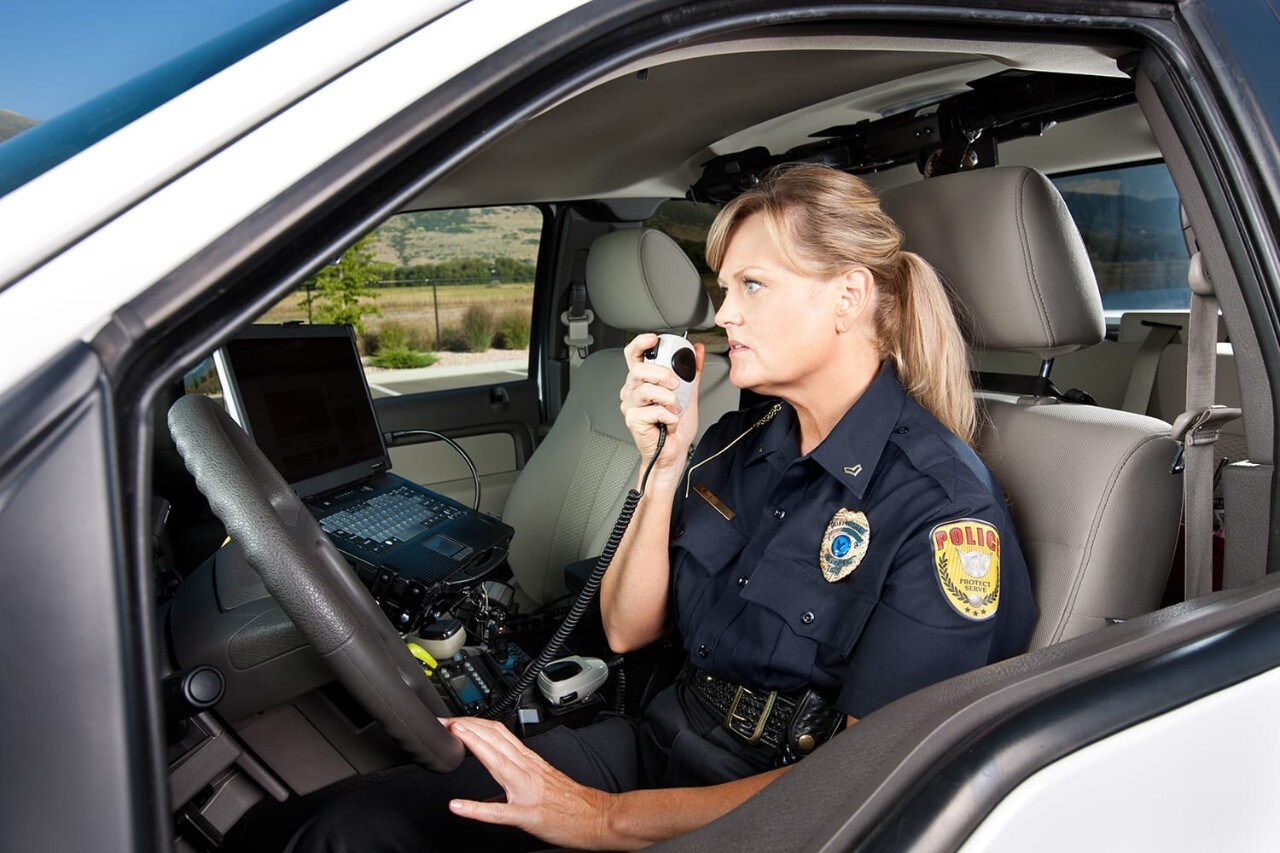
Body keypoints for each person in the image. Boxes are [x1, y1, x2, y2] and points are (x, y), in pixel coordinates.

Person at [288, 164, 1035, 852]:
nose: (723, 313)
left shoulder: (941, 510)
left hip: (768, 812)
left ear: (847, 296)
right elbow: (626, 626)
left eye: (752, 286)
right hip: (655, 747)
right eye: (723, 287)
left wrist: (602, 817)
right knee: (355, 825)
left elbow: (868, 780)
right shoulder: (736, 444)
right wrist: (661, 466)